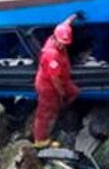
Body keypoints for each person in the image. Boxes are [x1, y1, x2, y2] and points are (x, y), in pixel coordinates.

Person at [32, 18, 79, 147]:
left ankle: (62, 108)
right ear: (55, 39)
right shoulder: (52, 54)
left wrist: (72, 17)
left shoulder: (57, 35)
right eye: (61, 43)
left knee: (74, 92)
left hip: (63, 79)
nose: (62, 46)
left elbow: (64, 24)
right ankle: (40, 140)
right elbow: (55, 79)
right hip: (49, 87)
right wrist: (61, 92)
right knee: (45, 113)